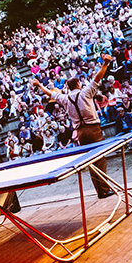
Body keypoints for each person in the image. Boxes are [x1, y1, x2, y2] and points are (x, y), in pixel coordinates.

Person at [32, 54, 115, 198]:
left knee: (91, 161)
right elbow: (97, 77)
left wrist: (39, 85)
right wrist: (105, 64)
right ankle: (104, 190)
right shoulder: (85, 92)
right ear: (78, 85)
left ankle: (101, 191)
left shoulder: (65, 98)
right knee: (100, 159)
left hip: (80, 132)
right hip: (93, 128)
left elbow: (50, 93)